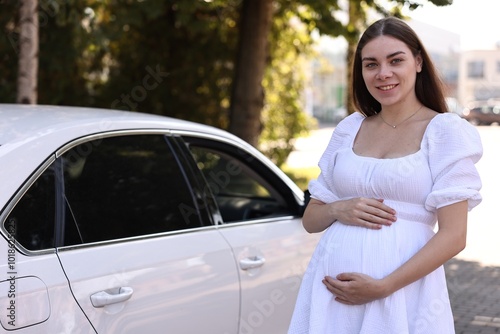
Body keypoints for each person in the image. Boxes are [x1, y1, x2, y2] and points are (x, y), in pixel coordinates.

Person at [288, 16, 482, 334]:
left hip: (403, 294)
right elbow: (311, 220)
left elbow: (454, 236)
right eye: (371, 64)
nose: (383, 74)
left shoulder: (445, 131)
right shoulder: (349, 129)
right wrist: (339, 208)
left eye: (396, 60)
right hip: (332, 295)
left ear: (418, 62)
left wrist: (384, 286)